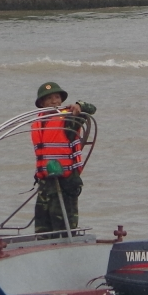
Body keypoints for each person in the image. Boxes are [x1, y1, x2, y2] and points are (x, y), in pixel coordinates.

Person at [31, 82, 96, 234]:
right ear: (42, 103)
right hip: (46, 184)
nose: (54, 101)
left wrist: (80, 105)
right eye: (49, 98)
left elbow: (91, 109)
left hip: (65, 183)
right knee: (42, 228)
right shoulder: (37, 122)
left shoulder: (69, 118)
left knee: (63, 228)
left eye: (57, 97)